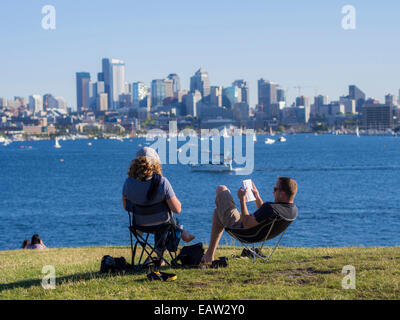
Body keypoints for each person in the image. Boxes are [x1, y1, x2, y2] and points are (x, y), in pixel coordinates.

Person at [202, 177, 298, 263]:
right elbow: (265, 215)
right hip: (259, 235)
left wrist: (242, 199)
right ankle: (209, 255)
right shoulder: (292, 210)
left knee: (222, 189)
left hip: (245, 232)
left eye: (275, 189)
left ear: (283, 193)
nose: (273, 191)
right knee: (218, 211)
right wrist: (257, 197)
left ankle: (209, 255)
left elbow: (247, 223)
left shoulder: (270, 207)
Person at [122, 147, 195, 258]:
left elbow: (126, 206)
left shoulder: (128, 183)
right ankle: (180, 233)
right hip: (162, 225)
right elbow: (177, 209)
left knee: (163, 221)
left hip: (139, 225)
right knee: (167, 221)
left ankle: (179, 235)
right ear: (155, 163)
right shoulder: (162, 182)